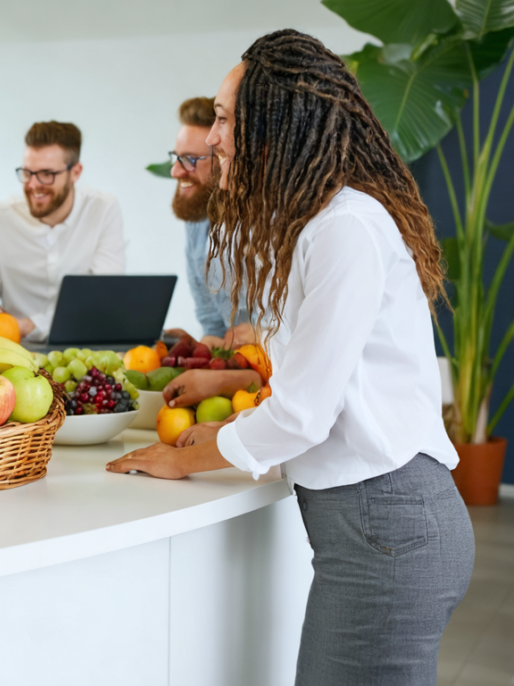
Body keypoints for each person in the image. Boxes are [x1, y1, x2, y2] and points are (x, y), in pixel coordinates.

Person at [108, 31, 473, 686]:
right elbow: (319, 366)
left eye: (223, 119)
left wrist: (185, 457)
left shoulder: (343, 228)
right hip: (384, 530)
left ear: (273, 125)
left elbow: (302, 413)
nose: (213, 138)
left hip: (390, 534)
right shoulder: (328, 221)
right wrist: (226, 402)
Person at [0, 121, 125, 343]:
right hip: (17, 354)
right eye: (27, 172)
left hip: (85, 350)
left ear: (75, 172)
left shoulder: (103, 209)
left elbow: (103, 302)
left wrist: (28, 325)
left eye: (46, 174)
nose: (33, 184)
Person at [162, 97, 258, 350]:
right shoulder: (197, 219)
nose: (175, 171)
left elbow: (302, 316)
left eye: (191, 160)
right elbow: (213, 325)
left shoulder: (271, 222)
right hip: (240, 368)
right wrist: (201, 346)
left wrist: (263, 332)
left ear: (227, 158)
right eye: (177, 157)